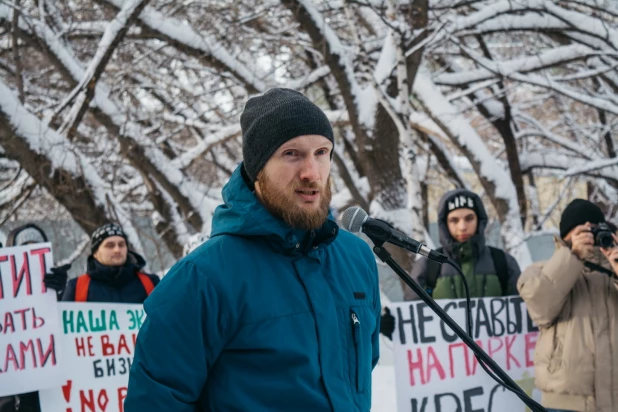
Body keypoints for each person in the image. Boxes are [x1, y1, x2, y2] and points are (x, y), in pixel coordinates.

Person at [125, 88, 381, 411]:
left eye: (321, 152)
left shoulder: (356, 259)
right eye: (291, 153)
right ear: (257, 168)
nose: (312, 172)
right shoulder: (202, 277)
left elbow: (356, 377)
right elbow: (156, 401)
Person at [518, 199, 618, 412]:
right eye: (582, 231)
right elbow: (541, 308)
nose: (589, 237)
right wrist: (573, 256)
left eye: (594, 230)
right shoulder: (539, 272)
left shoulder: (612, 275)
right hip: (565, 402)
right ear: (565, 237)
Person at [404, 188, 521, 301]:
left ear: (479, 220)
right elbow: (411, 314)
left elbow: (521, 312)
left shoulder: (504, 263)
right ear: (444, 224)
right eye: (454, 220)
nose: (462, 227)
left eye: (469, 219)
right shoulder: (427, 266)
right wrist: (394, 320)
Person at [1, 224, 69, 412]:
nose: (30, 252)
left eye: (36, 246)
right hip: (10, 392)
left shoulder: (55, 283)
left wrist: (60, 293)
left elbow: (65, 332)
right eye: (25, 247)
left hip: (47, 391)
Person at [62, 223, 159, 303]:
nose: (117, 250)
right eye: (110, 245)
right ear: (95, 253)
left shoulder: (150, 284)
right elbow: (58, 322)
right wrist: (56, 293)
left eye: (121, 244)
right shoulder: (78, 288)